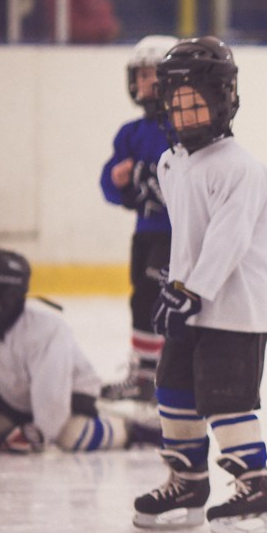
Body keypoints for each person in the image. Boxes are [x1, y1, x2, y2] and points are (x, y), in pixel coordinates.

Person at [131, 36, 267, 533]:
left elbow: (229, 239)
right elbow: (187, 239)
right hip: (189, 304)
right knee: (172, 390)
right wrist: (177, 289)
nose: (186, 113)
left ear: (223, 99)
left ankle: (256, 487)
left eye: (197, 102)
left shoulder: (242, 168)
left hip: (234, 310)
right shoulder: (171, 164)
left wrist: (192, 291)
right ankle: (188, 482)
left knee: (226, 399)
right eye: (177, 103)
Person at [0, 245, 159, 455]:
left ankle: (133, 430)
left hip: (72, 399)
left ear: (7, 296)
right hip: (22, 403)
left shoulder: (44, 330)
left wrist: (40, 432)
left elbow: (53, 399)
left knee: (70, 435)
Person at [98, 34, 177, 406]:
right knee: (141, 299)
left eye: (155, 75)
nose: (146, 83)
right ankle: (145, 374)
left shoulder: (183, 129)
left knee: (163, 299)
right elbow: (110, 183)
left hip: (176, 235)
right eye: (141, 75)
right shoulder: (130, 134)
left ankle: (168, 371)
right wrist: (118, 179)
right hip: (145, 233)